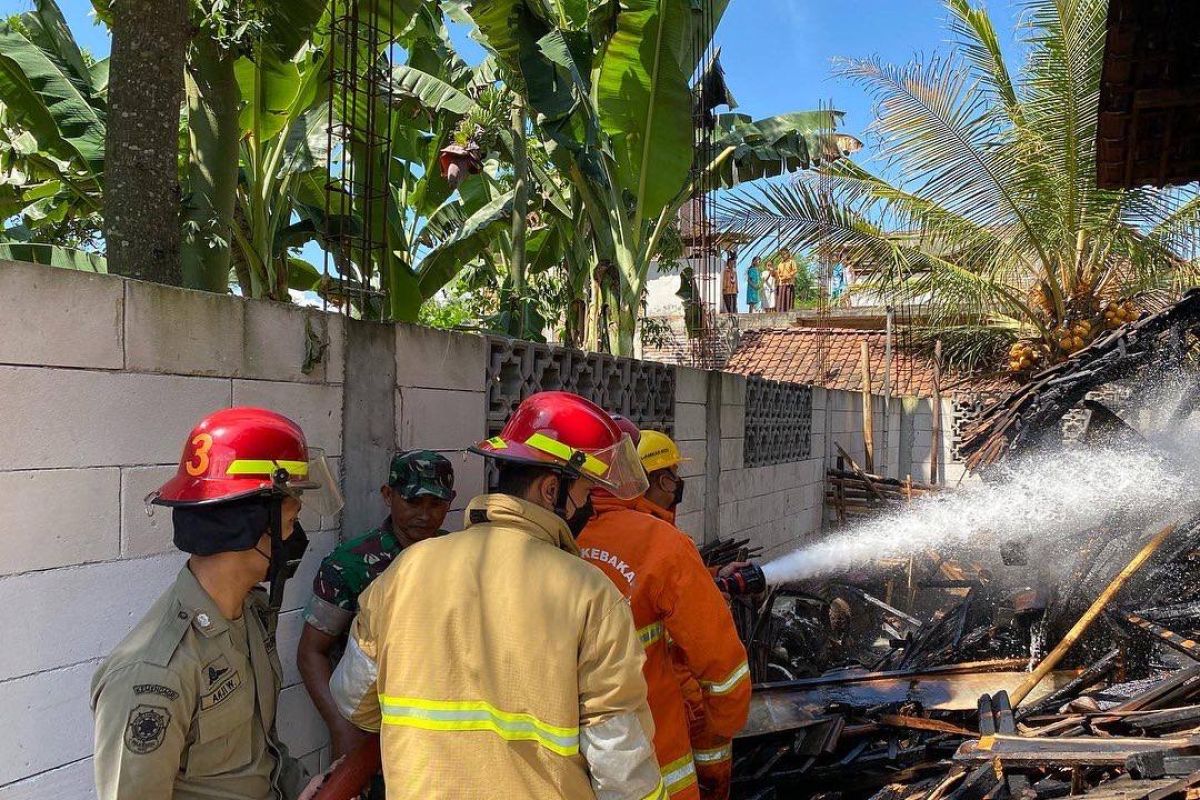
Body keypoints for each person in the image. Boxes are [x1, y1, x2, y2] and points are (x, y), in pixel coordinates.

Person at [329, 391, 666, 800]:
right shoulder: (590, 594)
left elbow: (354, 698)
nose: (588, 508)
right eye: (586, 493)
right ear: (549, 490)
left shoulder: (406, 569)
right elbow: (621, 766)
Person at [90, 407, 343, 800]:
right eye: (291, 521)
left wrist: (297, 787)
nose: (297, 538)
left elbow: (258, 754)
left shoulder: (252, 617)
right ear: (245, 527)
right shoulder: (155, 672)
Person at [578, 430, 751, 800]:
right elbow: (721, 666)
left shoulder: (563, 535)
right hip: (655, 740)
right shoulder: (663, 544)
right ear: (650, 479)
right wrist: (724, 725)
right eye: (671, 477)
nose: (676, 488)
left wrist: (708, 577)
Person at [298, 450, 455, 760]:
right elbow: (310, 652)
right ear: (388, 495)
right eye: (413, 502)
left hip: (439, 735)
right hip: (370, 735)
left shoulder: (457, 555)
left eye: (436, 504)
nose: (425, 515)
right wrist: (341, 729)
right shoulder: (350, 564)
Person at [774, 248, 798, 312]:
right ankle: (781, 314)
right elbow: (778, 274)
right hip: (782, 284)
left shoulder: (792, 262)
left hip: (789, 283)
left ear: (788, 254)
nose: (783, 256)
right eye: (781, 254)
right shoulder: (780, 264)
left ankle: (789, 313)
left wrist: (788, 276)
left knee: (788, 300)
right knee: (781, 300)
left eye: (784, 254)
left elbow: (795, 270)